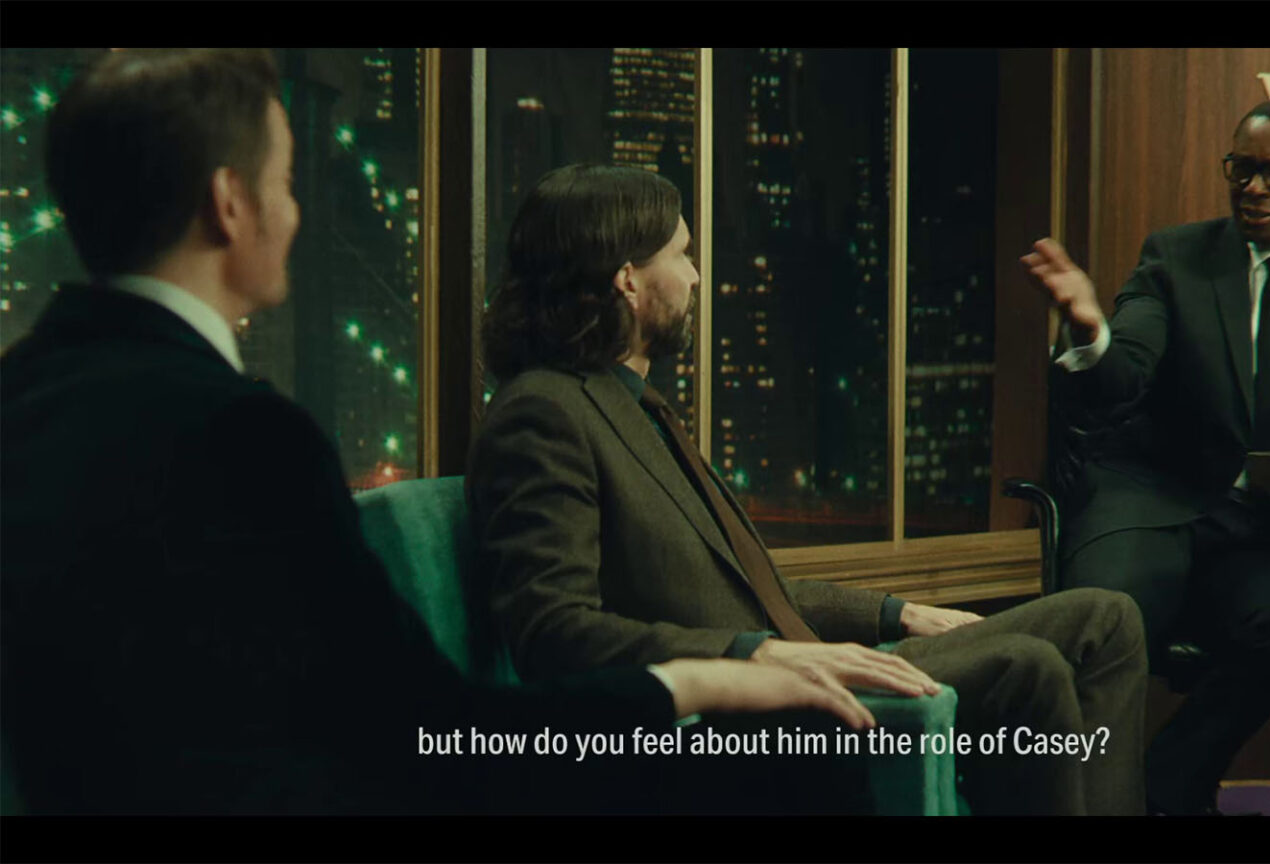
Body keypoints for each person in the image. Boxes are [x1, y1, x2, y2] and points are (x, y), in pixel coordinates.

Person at [0, 48, 877, 816]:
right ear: (230, 204)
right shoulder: (247, 437)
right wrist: (694, 681)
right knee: (798, 755)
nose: (296, 215)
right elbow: (425, 731)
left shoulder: (22, 395)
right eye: (287, 183)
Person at [466, 163, 1149, 816]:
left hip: (805, 654)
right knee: (1026, 666)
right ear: (627, 281)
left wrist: (898, 613)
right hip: (751, 706)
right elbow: (554, 633)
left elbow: (743, 585)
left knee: (1106, 620)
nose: (696, 275)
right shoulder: (545, 414)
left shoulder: (634, 405)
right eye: (682, 255)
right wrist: (752, 654)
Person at [1022, 97, 1270, 814]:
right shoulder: (1176, 259)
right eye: (1241, 170)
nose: (1253, 190)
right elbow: (1123, 375)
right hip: (1154, 503)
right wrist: (1089, 330)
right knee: (1094, 624)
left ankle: (1167, 788)